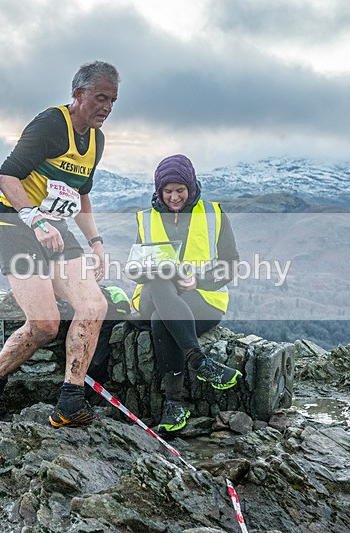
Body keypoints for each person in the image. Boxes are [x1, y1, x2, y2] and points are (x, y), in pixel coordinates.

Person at [0, 61, 120, 427]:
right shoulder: (51, 125)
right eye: (101, 98)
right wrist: (34, 218)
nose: (106, 107)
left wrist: (96, 242)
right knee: (44, 325)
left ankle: (70, 401)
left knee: (94, 304)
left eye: (113, 101)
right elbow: (6, 177)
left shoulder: (96, 140)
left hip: (55, 230)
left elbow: (81, 196)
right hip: (14, 227)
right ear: (79, 94)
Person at [130, 154, 241, 436]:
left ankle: (174, 404)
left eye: (180, 190)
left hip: (201, 299)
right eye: (167, 192)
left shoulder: (214, 214)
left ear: (191, 187)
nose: (174, 197)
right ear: (158, 190)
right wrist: (142, 271)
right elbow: (138, 266)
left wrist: (199, 280)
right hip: (153, 294)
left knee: (160, 320)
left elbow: (230, 264)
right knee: (158, 280)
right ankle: (199, 361)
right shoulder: (146, 218)